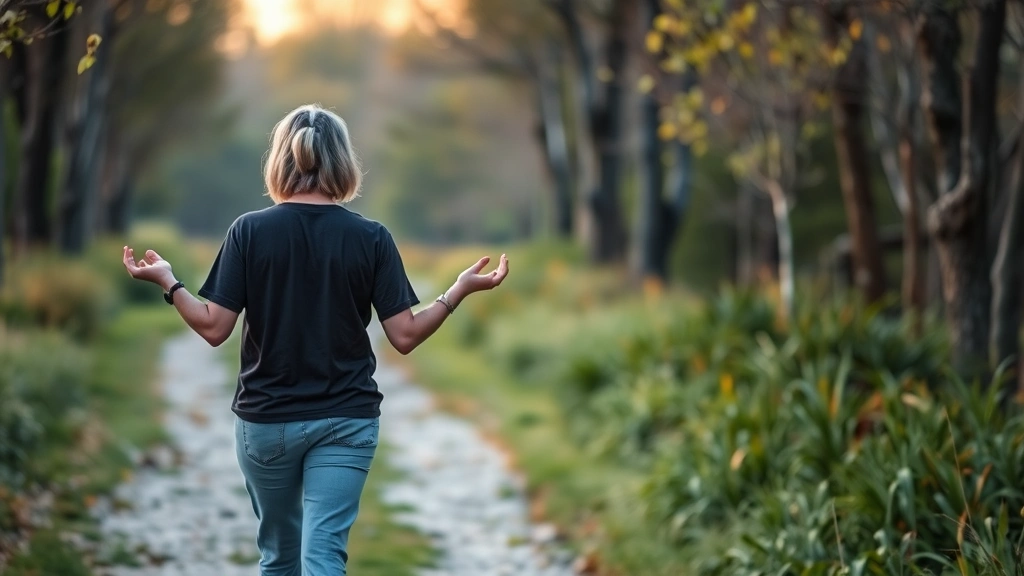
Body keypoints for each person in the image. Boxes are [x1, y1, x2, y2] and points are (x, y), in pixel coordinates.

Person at [121, 103, 509, 575]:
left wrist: (169, 282)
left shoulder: (249, 231)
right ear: (343, 161)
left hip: (267, 421)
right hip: (347, 420)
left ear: (281, 160)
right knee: (323, 556)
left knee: (279, 558)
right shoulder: (371, 238)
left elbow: (213, 328)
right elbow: (404, 336)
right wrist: (457, 291)